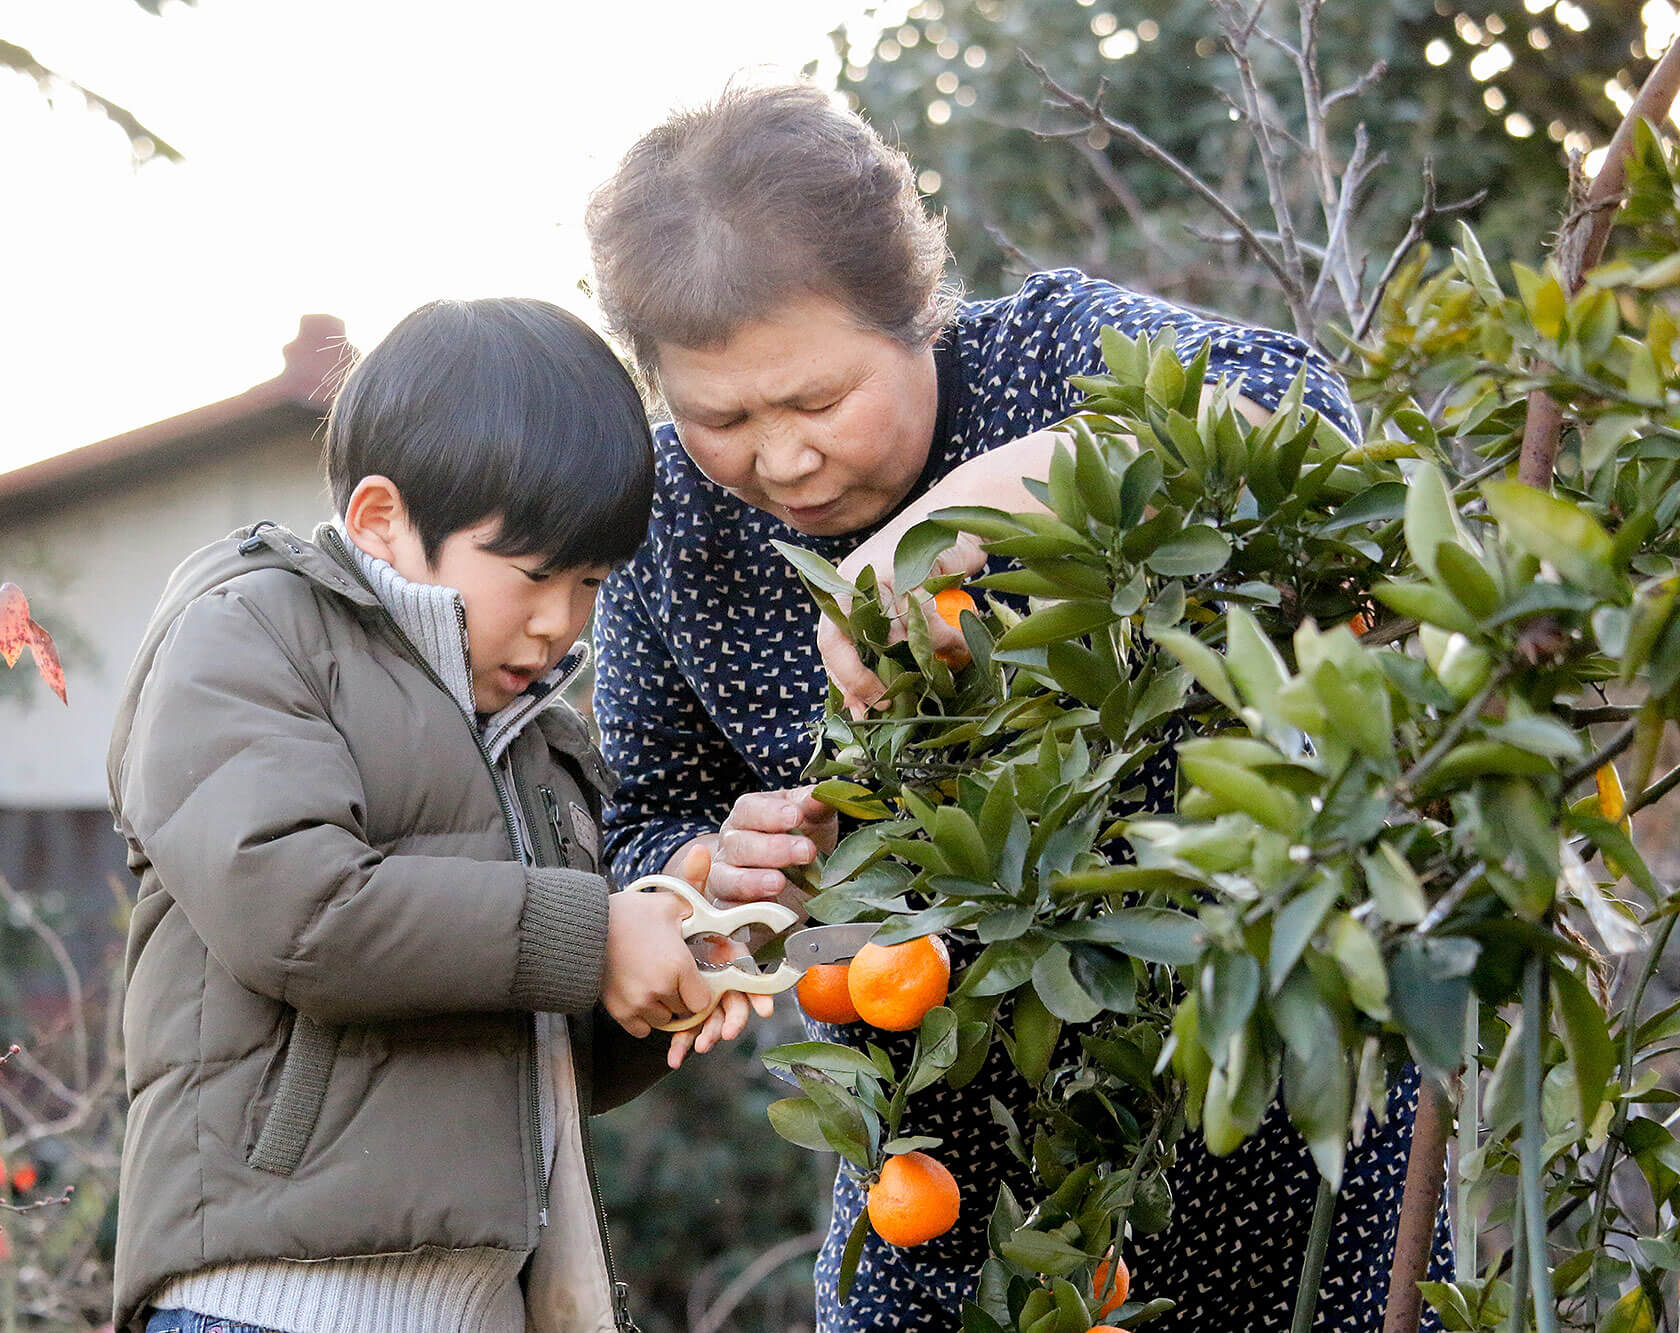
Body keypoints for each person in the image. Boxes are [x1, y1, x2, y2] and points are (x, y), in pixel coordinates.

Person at [584, 84, 1446, 1332]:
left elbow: (1293, 409)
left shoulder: (1043, 355)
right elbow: (646, 817)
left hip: (1258, 1104)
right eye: (720, 417)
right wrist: (711, 870)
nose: (780, 458)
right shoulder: (672, 520)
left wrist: (951, 522)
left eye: (817, 401)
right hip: (939, 1173)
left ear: (916, 314)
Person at [106, 297, 763, 1333]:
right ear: (382, 519)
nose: (560, 622)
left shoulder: (537, 736)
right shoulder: (250, 633)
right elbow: (300, 912)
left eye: (591, 581)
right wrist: (593, 935)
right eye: (534, 574)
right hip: (274, 1304)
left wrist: (668, 963)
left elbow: (529, 1042)